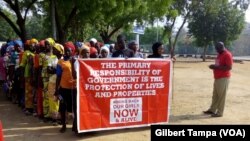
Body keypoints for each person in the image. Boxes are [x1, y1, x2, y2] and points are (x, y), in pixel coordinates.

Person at [203, 42, 233, 117]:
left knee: (221, 96)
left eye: (218, 49)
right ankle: (212, 109)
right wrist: (214, 67)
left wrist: (215, 67)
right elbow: (219, 64)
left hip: (223, 78)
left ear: (221, 48)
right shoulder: (220, 54)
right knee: (215, 95)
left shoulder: (227, 54)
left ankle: (220, 112)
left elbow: (229, 67)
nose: (217, 51)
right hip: (217, 77)